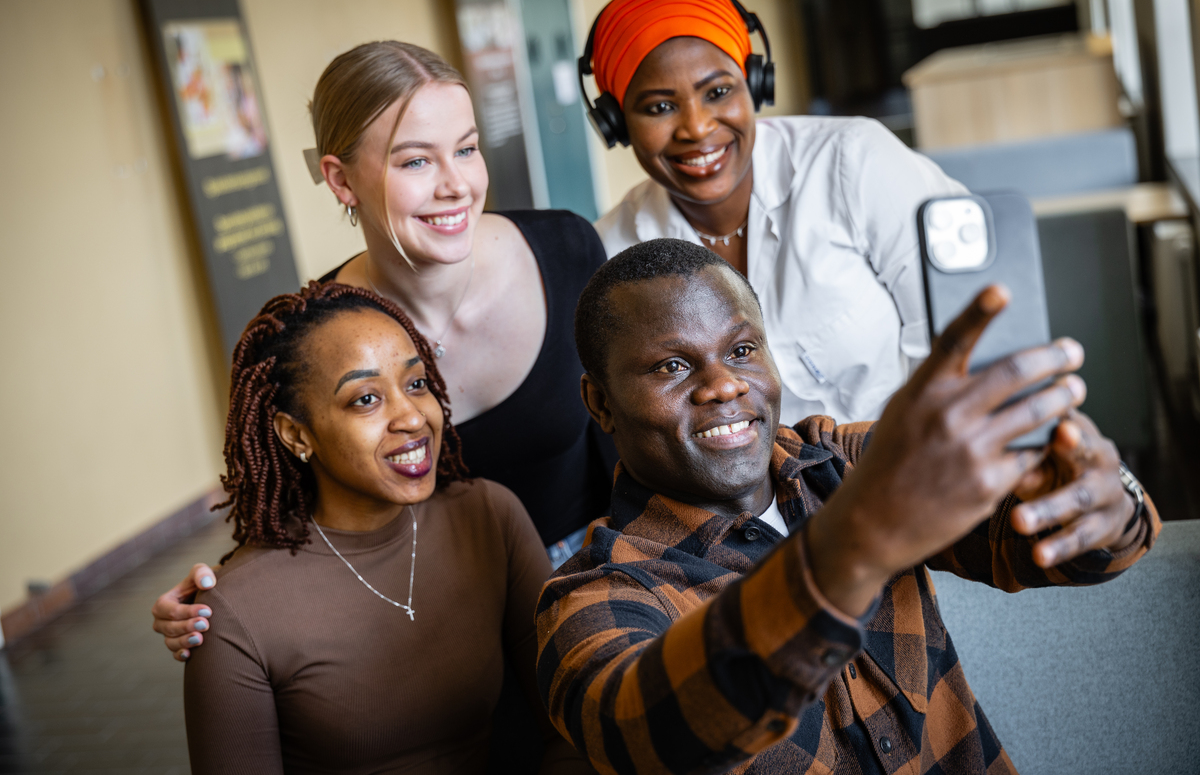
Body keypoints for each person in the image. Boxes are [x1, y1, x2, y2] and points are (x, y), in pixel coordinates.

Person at [537, 239, 1159, 775]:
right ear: (601, 404)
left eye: (742, 351)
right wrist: (850, 547)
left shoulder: (851, 462)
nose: (725, 385)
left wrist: (1102, 499)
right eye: (673, 366)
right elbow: (651, 741)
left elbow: (1052, 549)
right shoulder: (592, 595)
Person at [153, 41, 617, 659]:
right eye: (416, 162)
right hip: (429, 617)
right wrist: (221, 595)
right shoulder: (316, 338)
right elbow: (295, 508)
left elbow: (632, 443)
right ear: (342, 180)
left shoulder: (567, 251)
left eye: (467, 149)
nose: (456, 185)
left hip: (599, 584)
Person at [184, 279, 588, 774]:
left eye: (416, 384)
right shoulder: (235, 612)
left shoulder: (488, 516)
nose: (412, 417)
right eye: (365, 399)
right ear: (296, 434)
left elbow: (570, 726)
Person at [582, 0, 967, 424]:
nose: (697, 128)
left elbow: (964, 332)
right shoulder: (612, 253)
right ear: (616, 124)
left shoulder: (853, 162)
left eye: (718, 92)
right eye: (659, 107)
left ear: (755, 83)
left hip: (917, 459)